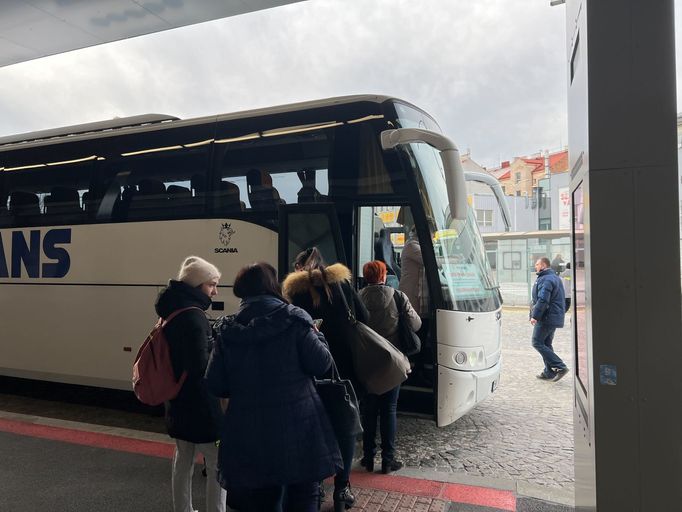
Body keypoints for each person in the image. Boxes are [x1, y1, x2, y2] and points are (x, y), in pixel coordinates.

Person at [205, 262, 341, 512]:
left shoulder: (227, 331)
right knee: (303, 495)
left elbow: (215, 383)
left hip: (249, 432)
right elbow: (322, 364)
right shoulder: (296, 320)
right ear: (272, 286)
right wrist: (317, 333)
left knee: (260, 500)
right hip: (300, 428)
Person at [281, 247, 369, 512]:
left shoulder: (294, 292)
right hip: (344, 372)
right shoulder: (340, 283)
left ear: (299, 267)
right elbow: (363, 317)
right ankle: (342, 489)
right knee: (345, 428)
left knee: (314, 428)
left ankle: (316, 486)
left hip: (311, 371)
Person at [155, 256, 226, 512]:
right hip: (200, 404)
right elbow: (200, 366)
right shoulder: (194, 317)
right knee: (217, 459)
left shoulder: (171, 310)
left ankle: (183, 508)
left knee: (183, 457)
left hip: (177, 398)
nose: (215, 291)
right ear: (197, 285)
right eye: (212, 285)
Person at [358, 260, 421, 474]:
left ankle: (367, 458)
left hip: (366, 363)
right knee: (389, 410)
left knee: (368, 411)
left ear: (366, 277)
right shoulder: (398, 296)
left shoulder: (357, 298)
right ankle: (387, 461)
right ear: (384, 276)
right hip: (392, 363)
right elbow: (416, 324)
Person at [530, 257, 569, 382]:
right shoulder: (552, 277)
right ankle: (549, 372)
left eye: (537, 264)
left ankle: (560, 366)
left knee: (537, 342)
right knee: (546, 343)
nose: (535, 266)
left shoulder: (546, 279)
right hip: (552, 316)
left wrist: (535, 316)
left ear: (543, 265)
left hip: (546, 317)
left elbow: (542, 299)